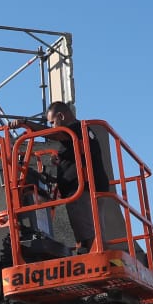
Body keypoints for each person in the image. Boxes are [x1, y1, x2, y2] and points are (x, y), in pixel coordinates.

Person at [46, 101, 112, 253]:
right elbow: (78, 156)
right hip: (94, 186)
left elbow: (57, 134)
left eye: (52, 122)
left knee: (88, 233)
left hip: (82, 189)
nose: (52, 127)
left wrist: (27, 125)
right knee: (96, 230)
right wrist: (61, 162)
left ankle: (96, 259)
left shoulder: (74, 129)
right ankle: (98, 255)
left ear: (61, 116)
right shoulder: (81, 132)